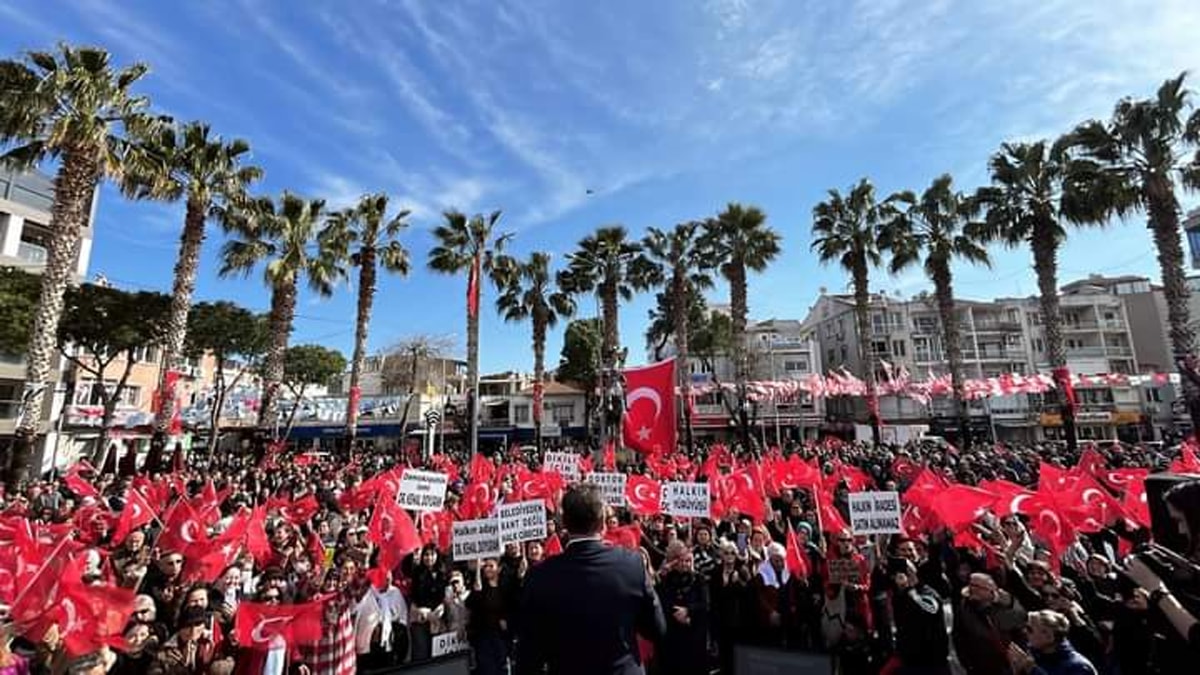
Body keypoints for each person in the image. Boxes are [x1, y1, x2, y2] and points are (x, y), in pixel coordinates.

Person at [515, 484, 666, 675]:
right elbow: (656, 629)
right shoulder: (632, 565)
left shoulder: (541, 576)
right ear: (603, 523)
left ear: (564, 522)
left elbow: (529, 653)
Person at [654, 541, 709, 675]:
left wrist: (688, 611)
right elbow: (661, 601)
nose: (686, 564)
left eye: (689, 561)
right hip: (672, 636)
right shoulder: (666, 579)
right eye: (682, 561)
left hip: (693, 633)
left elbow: (705, 603)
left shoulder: (699, 579)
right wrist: (676, 613)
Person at [953, 573, 1016, 675]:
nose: (972, 589)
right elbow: (959, 638)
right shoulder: (963, 609)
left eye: (977, 587)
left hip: (1009, 664)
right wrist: (968, 664)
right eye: (971, 585)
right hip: (980, 667)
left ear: (990, 590)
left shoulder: (1005, 605)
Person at [1006, 610, 1097, 675]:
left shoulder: (1078, 666)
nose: (1024, 632)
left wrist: (1032, 670)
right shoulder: (1034, 657)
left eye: (1030, 629)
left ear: (1049, 636)